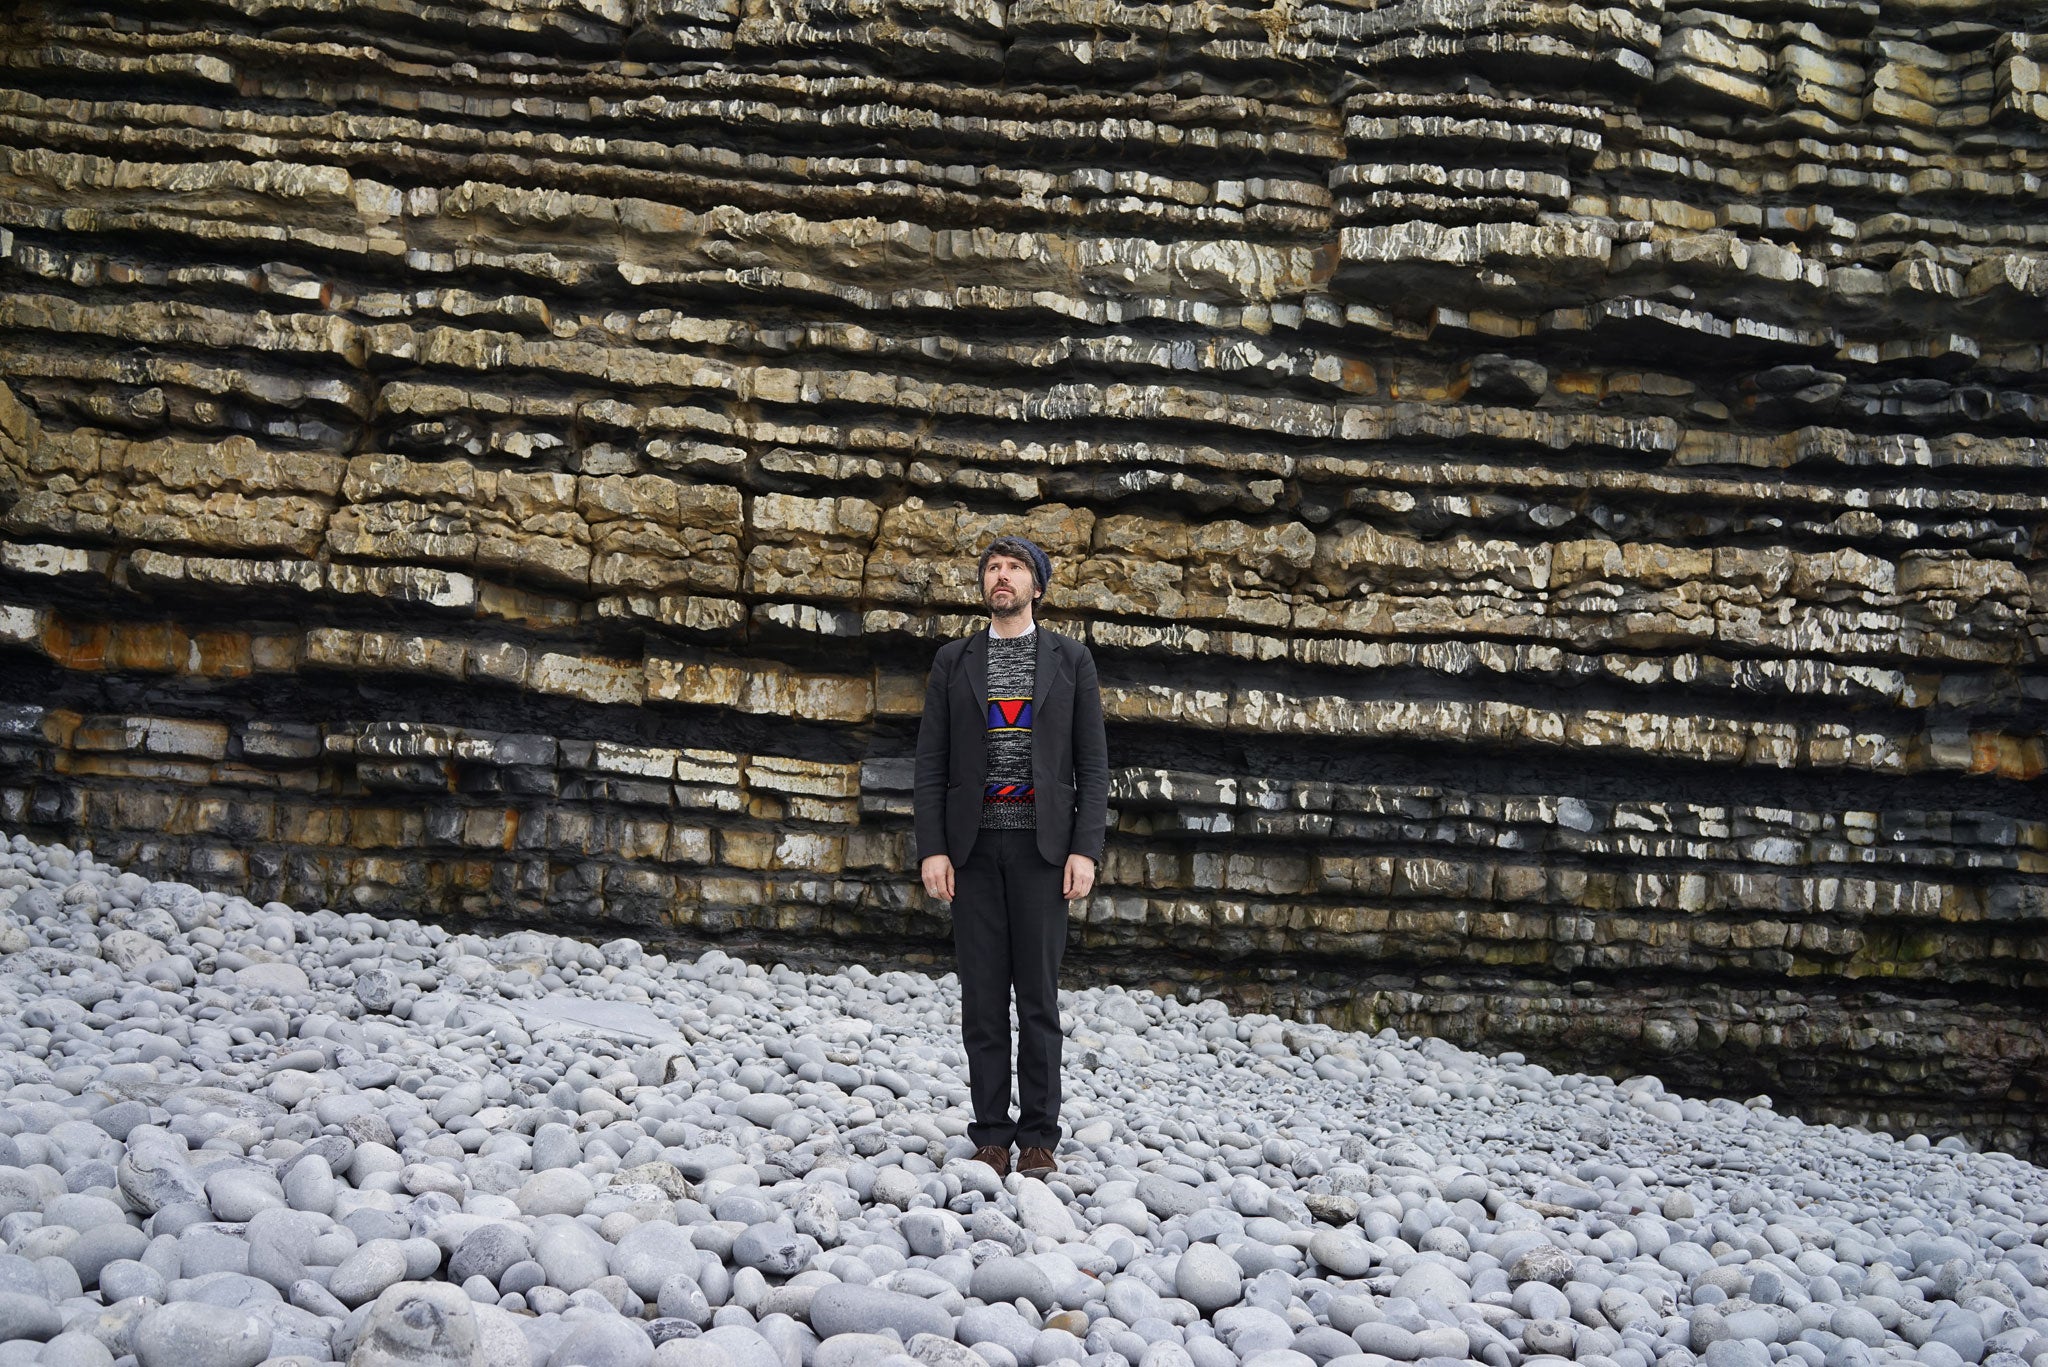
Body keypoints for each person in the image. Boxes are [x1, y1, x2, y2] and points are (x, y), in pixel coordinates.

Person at [913, 534, 1109, 1178]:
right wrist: (933, 848)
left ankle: (1039, 1139)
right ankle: (992, 1135)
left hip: (1042, 851)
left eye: (1015, 568)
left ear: (1036, 586)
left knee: (1039, 1001)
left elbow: (1092, 765)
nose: (1002, 576)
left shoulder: (1071, 659)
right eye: (993, 567)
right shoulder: (953, 661)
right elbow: (931, 763)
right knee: (982, 1000)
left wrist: (1084, 850)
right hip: (971, 850)